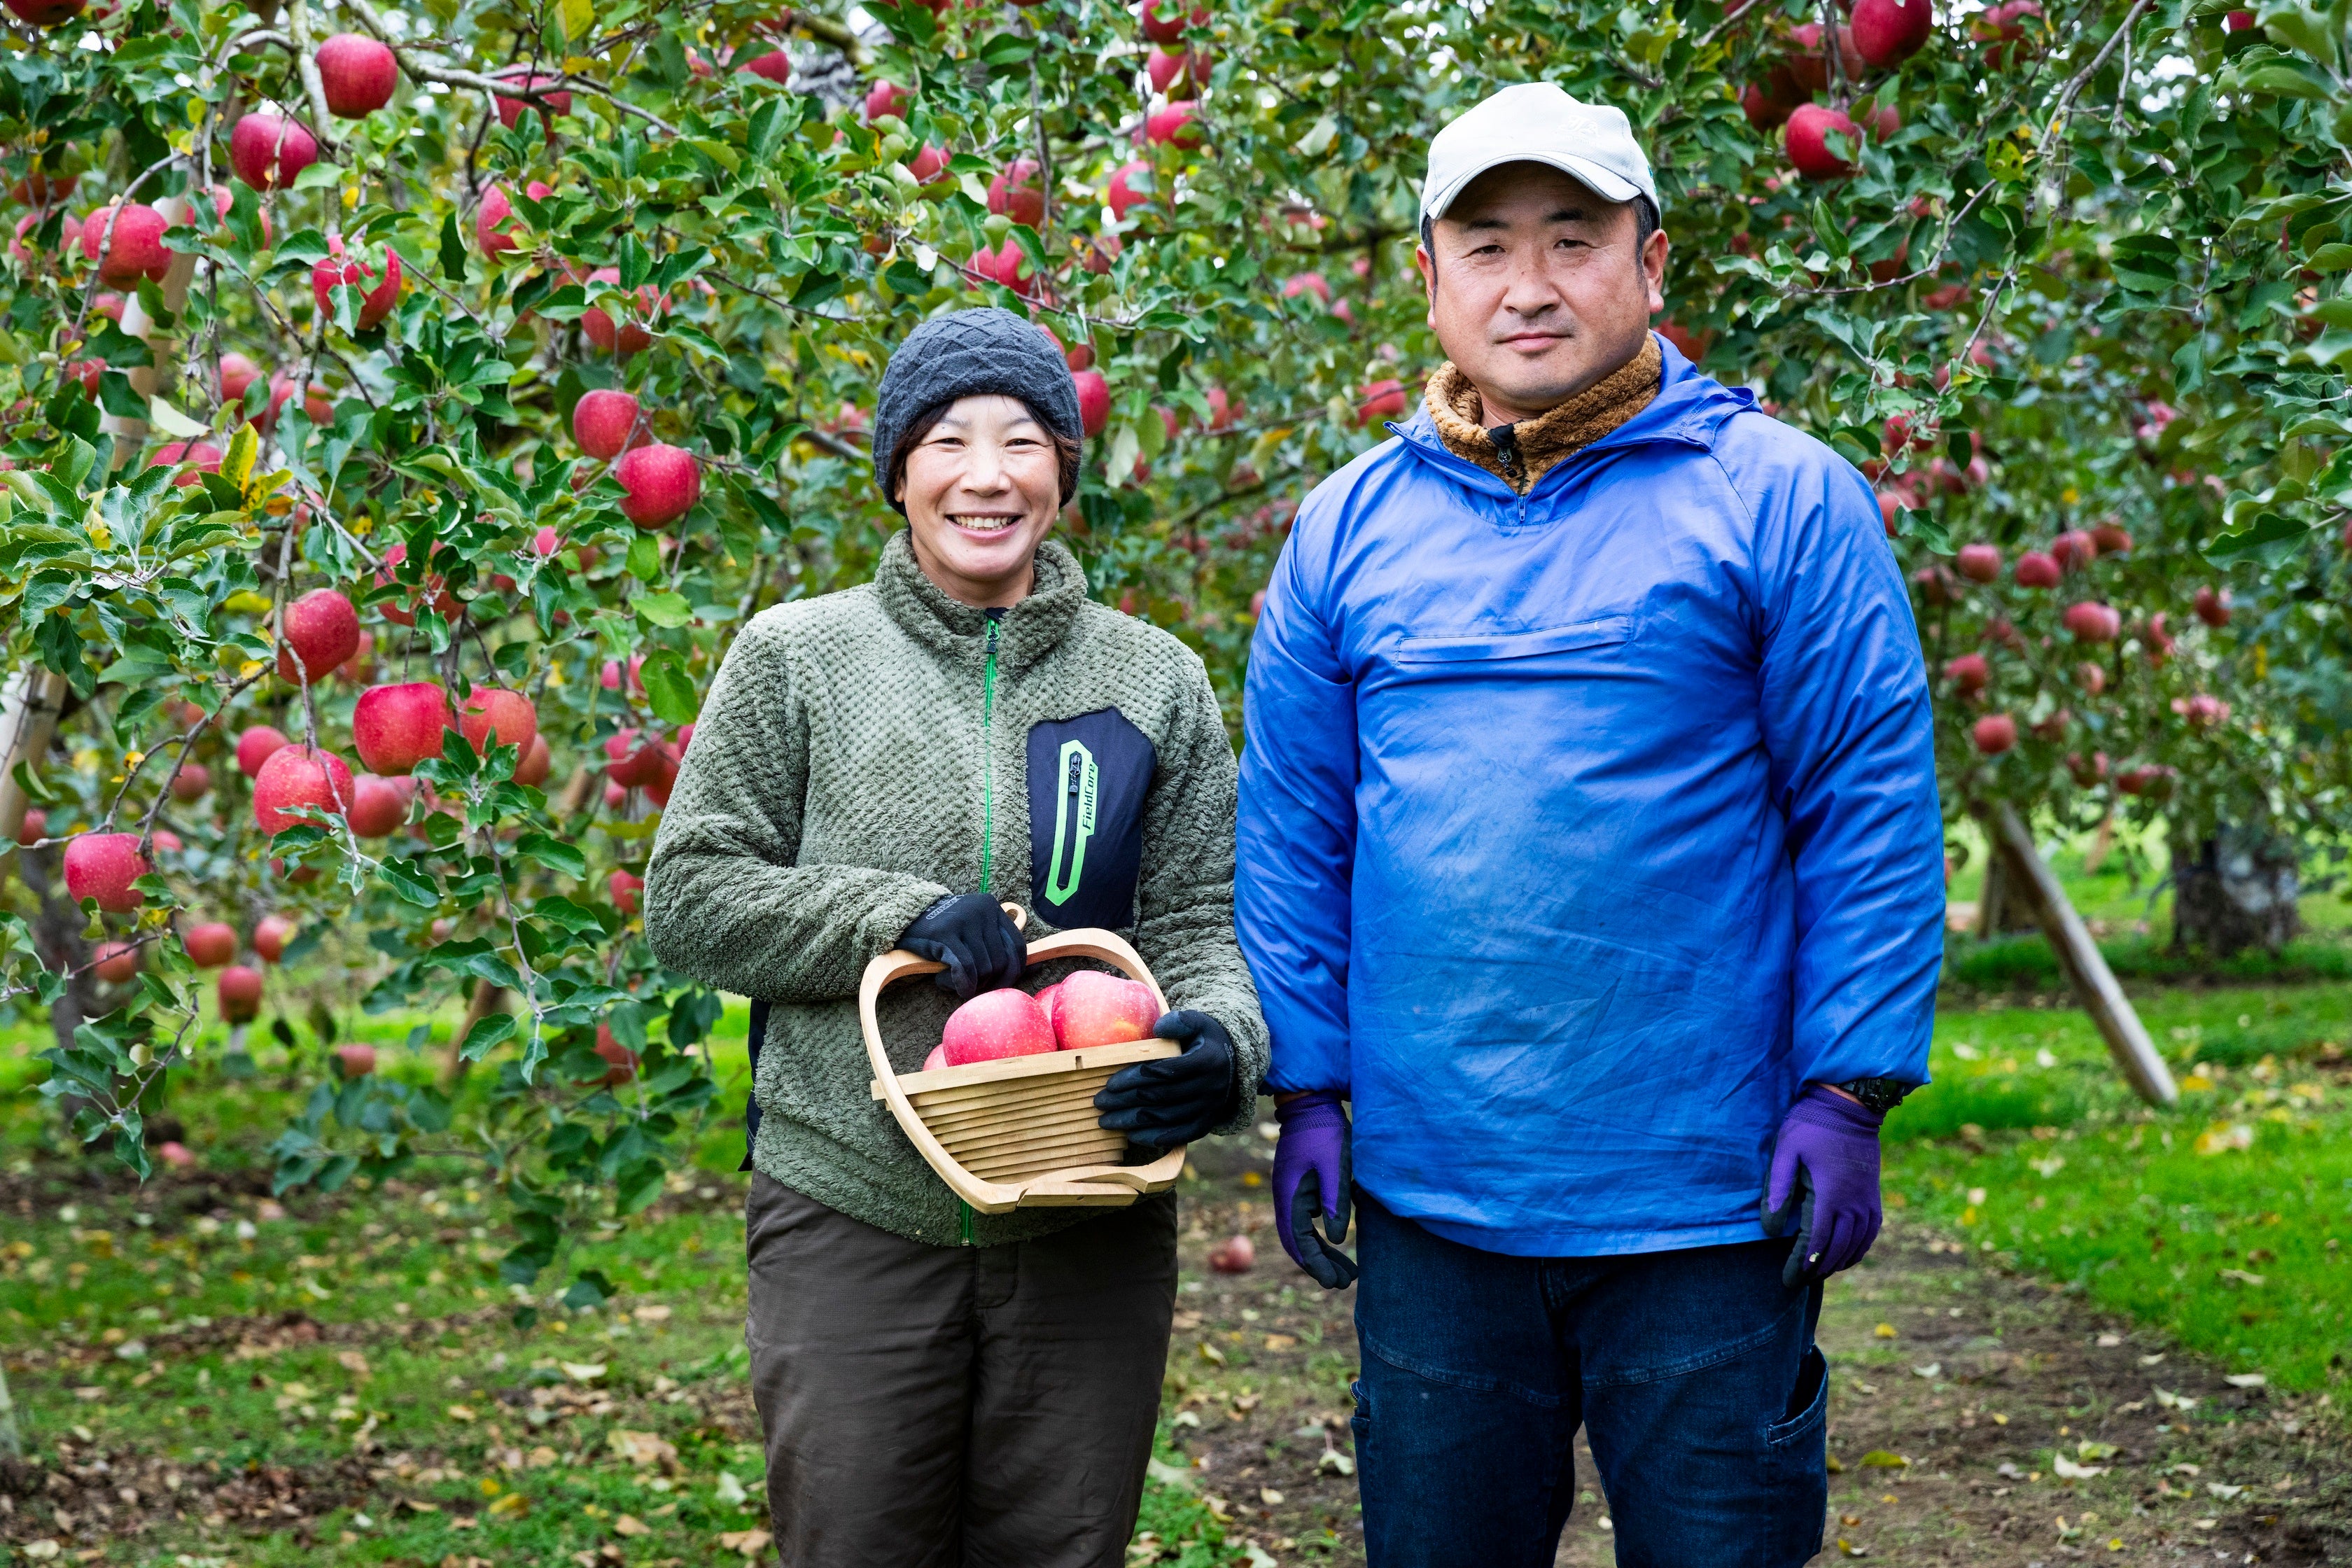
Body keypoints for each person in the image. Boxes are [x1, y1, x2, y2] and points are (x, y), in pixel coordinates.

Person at [1234, 83, 1945, 1568]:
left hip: (1705, 1197)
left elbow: (1867, 808)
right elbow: (1295, 835)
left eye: (1574, 238)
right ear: (1431, 278)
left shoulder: (1783, 501)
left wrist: (1848, 1087)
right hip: (1434, 1197)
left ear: (1652, 262)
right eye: (1488, 245)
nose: (1532, 284)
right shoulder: (1347, 528)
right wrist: (1308, 1085)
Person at [643, 307, 1268, 1567]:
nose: (988, 476)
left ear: (1065, 472)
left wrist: (1226, 1046)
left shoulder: (1155, 679)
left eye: (1024, 441)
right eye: (948, 442)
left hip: (1090, 1205)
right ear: (898, 473)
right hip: (852, 1207)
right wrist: (897, 915)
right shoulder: (797, 660)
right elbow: (693, 898)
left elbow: (1199, 923)